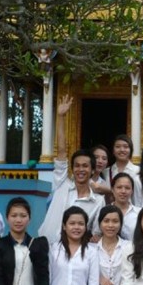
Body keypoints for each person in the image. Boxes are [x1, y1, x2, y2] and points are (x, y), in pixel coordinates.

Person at [38, 95, 105, 243]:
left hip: (76, 252)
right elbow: (62, 151)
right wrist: (61, 117)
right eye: (77, 166)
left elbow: (96, 234)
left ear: (92, 170)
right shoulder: (62, 184)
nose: (81, 169)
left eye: (85, 166)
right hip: (47, 247)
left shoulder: (98, 201)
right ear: (72, 169)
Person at [111, 172, 140, 241]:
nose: (123, 191)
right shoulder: (104, 212)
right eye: (119, 187)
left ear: (132, 191)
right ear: (112, 189)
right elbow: (97, 235)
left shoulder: (139, 213)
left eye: (127, 188)